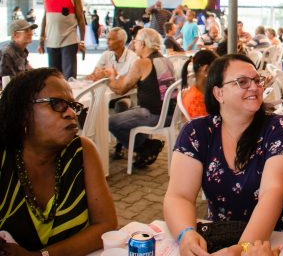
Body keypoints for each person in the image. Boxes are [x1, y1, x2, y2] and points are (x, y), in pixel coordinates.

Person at [164, 54, 283, 255]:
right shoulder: (197, 132)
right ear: (219, 93)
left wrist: (240, 249)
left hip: (280, 239)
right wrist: (186, 235)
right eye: (242, 82)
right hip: (222, 235)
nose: (254, 87)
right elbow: (179, 195)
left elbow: (272, 194)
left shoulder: (280, 128)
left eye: (257, 80)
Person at [0, 68, 117, 254]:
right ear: (23, 112)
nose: (71, 113)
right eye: (58, 104)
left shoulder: (81, 152)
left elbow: (106, 226)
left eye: (73, 105)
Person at [106, 28, 175, 167]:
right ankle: (145, 147)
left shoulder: (142, 63)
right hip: (171, 113)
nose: (133, 44)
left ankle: (145, 146)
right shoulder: (165, 60)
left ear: (143, 44)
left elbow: (120, 89)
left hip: (154, 114)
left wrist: (110, 77)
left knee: (111, 122)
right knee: (126, 113)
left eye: (136, 41)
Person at [38, 0, 86, 79]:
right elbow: (45, 17)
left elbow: (81, 19)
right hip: (51, 42)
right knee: (54, 77)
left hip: (69, 41)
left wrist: (82, 41)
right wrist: (41, 37)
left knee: (69, 77)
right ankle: (57, 97)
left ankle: (69, 96)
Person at [180, 49, 218, 119]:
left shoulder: (196, 91)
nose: (219, 74)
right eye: (217, 70)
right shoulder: (197, 101)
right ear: (206, 69)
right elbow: (205, 128)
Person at [0, 20, 36, 86]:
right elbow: (7, 84)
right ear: (15, 35)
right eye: (26, 31)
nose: (31, 33)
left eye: (31, 30)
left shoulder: (22, 51)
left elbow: (29, 70)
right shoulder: (7, 53)